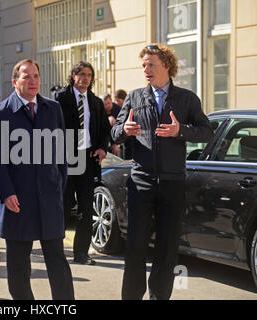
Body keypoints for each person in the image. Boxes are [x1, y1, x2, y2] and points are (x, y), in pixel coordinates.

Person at [111, 43, 213, 300]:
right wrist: (125, 131)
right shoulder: (135, 97)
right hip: (141, 181)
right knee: (134, 247)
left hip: (173, 183)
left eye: (151, 65)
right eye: (143, 65)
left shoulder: (187, 99)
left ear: (167, 65)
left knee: (167, 250)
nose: (146, 70)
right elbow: (113, 133)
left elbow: (207, 132)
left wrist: (182, 131)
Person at [0, 59, 74, 300]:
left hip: (49, 198)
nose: (33, 81)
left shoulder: (52, 109)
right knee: (18, 267)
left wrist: (58, 186)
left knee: (58, 262)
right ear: (15, 82)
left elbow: (61, 154)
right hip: (18, 199)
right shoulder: (1, 112)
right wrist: (6, 193)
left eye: (36, 76)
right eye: (27, 76)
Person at [55, 61, 109, 266]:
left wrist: (102, 147)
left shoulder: (95, 102)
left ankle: (81, 253)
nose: (85, 78)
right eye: (81, 74)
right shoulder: (60, 99)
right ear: (73, 76)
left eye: (89, 75)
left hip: (87, 159)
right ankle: (57, 252)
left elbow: (105, 130)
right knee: (63, 206)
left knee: (87, 209)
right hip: (66, 160)